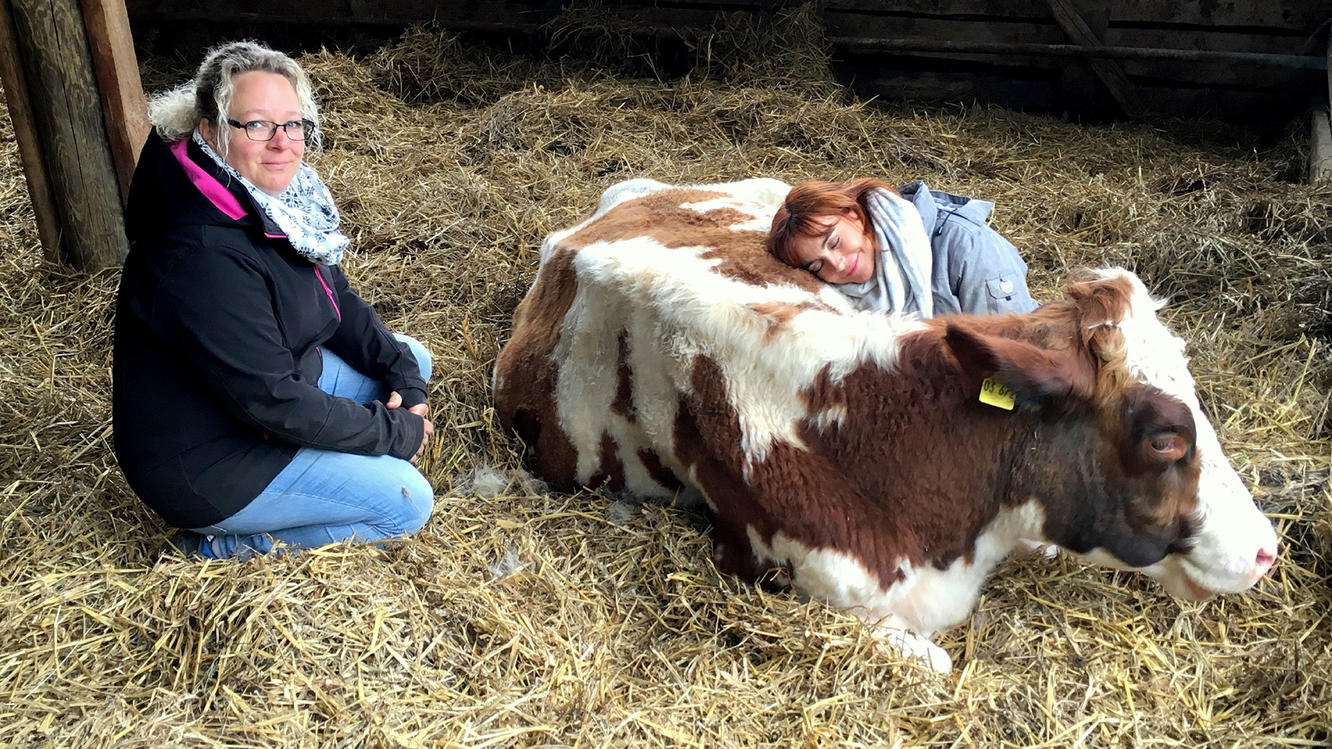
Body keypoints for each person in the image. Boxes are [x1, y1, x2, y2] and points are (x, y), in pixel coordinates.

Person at [113, 41, 435, 559]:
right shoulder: (199, 250)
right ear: (210, 130)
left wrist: (402, 375)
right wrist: (394, 433)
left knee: (413, 357)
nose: (282, 142)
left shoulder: (271, 197)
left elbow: (337, 300)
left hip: (270, 387)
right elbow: (270, 400)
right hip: (211, 457)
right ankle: (213, 547)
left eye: (294, 124)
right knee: (405, 502)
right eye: (257, 125)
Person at [766, 178, 1038, 318]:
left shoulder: (966, 247)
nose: (836, 264)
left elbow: (1017, 352)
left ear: (854, 214)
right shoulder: (837, 294)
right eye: (817, 265)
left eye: (834, 242)